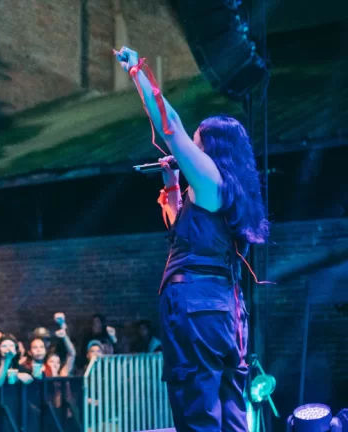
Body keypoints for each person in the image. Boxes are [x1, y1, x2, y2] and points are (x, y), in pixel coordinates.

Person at [114, 46, 268, 432]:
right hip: (226, 311)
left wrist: (137, 72)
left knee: (197, 403)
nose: (190, 150)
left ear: (210, 148)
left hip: (197, 305)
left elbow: (171, 127)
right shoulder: (229, 188)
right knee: (230, 405)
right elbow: (184, 235)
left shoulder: (210, 177)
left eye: (196, 144)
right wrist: (171, 182)